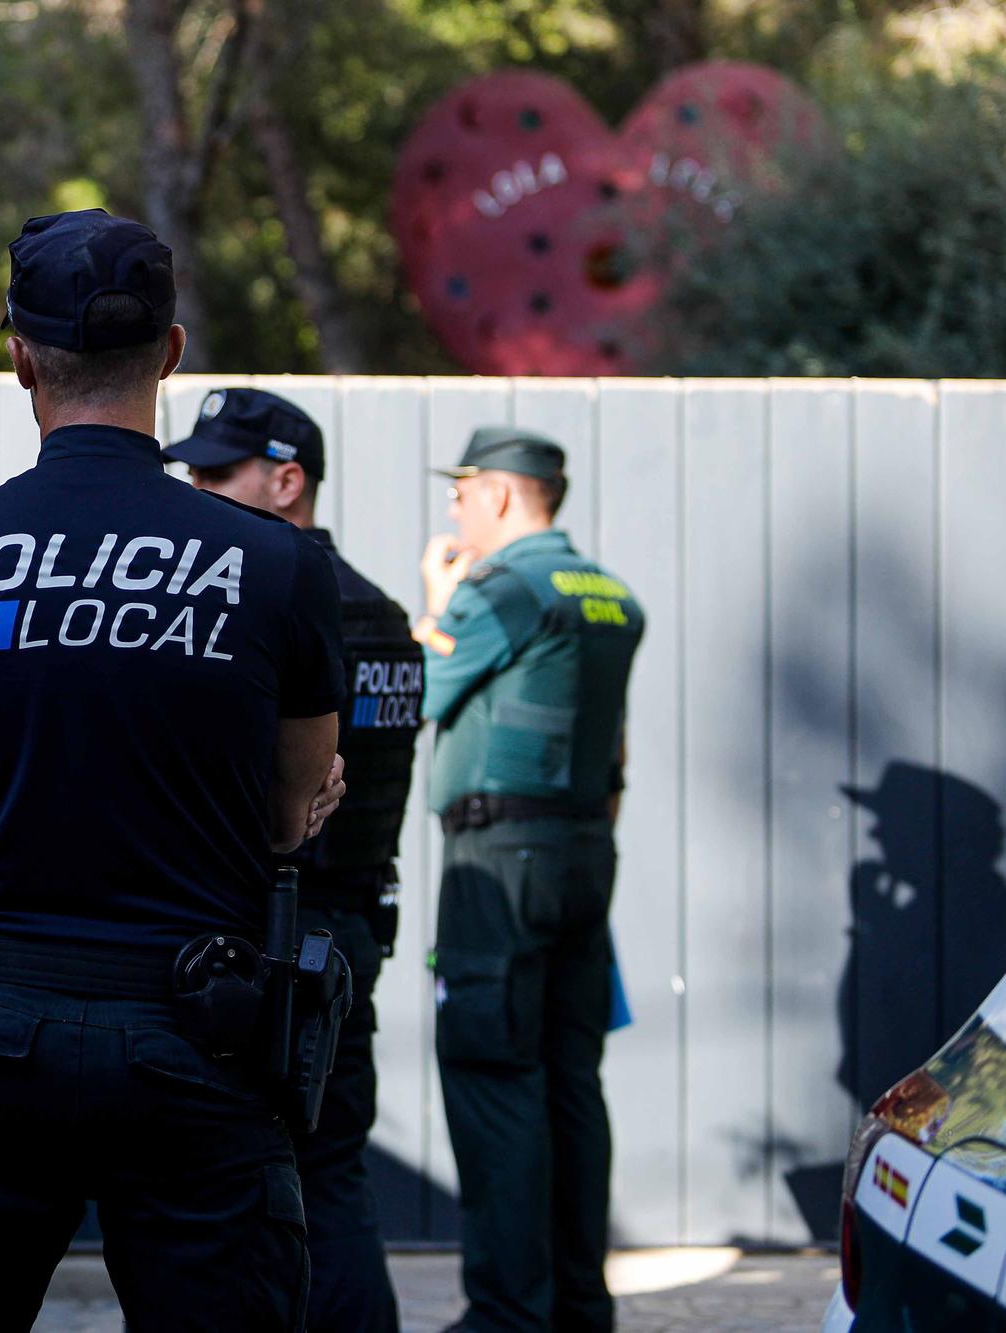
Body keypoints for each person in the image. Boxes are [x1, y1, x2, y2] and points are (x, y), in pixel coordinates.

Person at [0, 208, 348, 1332]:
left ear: (18, 353)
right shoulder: (273, 563)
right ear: (170, 352)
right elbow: (287, 817)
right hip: (196, 1034)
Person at [164, 387, 418, 1333]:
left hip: (276, 934)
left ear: (286, 479)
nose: (198, 490)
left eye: (217, 474)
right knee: (334, 1175)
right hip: (346, 929)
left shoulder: (265, 601)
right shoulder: (387, 612)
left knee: (262, 1186)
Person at [414, 427, 644, 1333]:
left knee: (493, 1074)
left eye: (463, 490)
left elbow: (422, 688)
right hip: (583, 849)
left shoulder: (502, 588)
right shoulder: (608, 593)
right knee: (569, 1081)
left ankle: (508, 1315)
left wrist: (438, 599)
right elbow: (613, 743)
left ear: (504, 496)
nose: (453, 507)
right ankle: (581, 1308)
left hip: (500, 864)